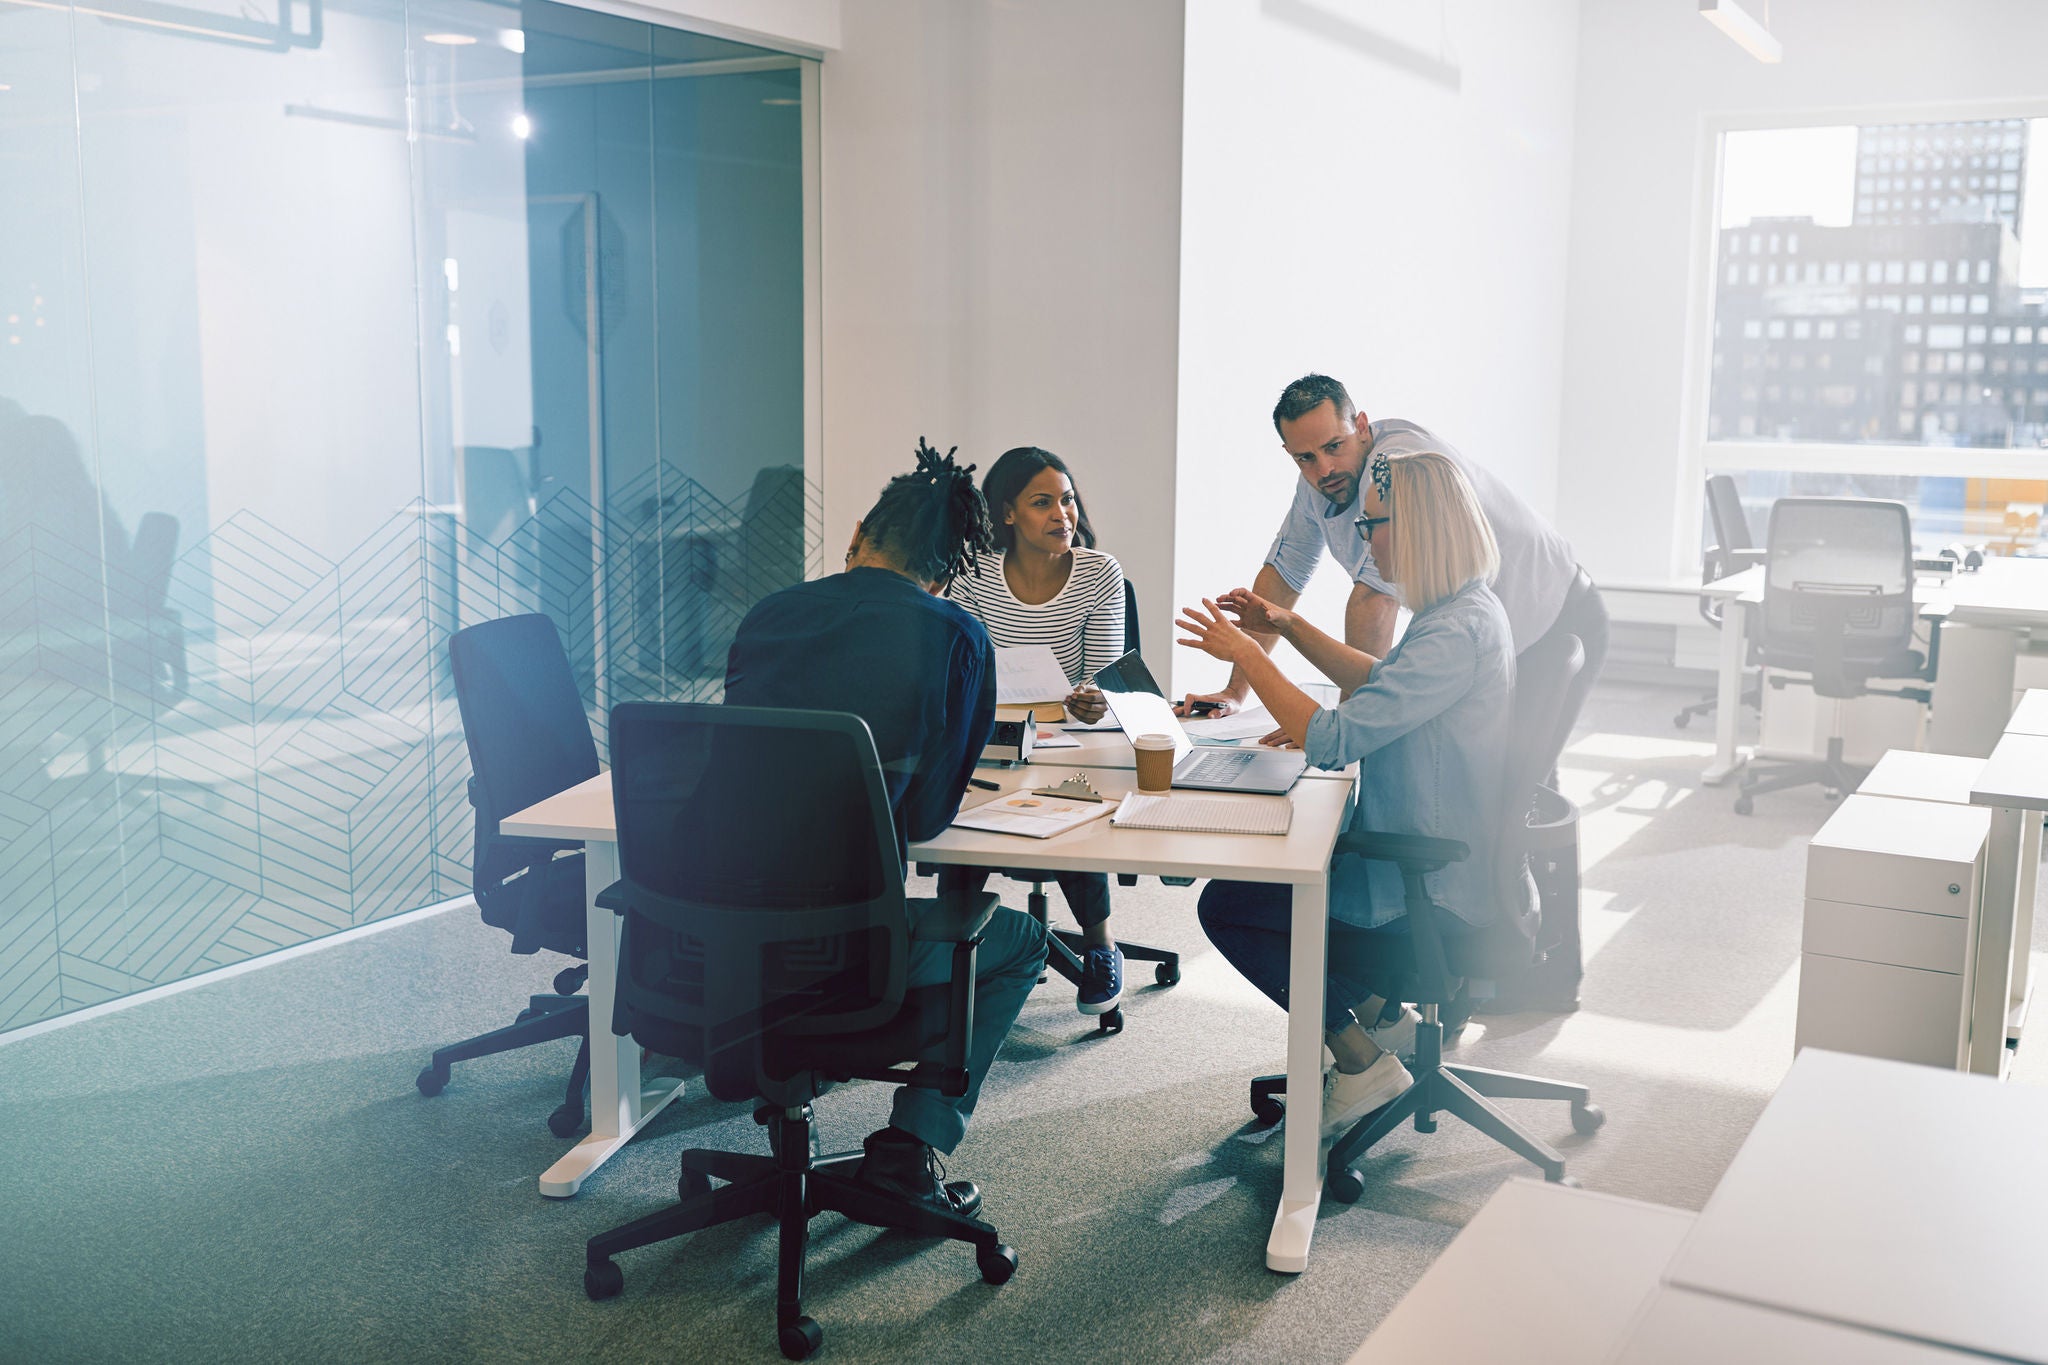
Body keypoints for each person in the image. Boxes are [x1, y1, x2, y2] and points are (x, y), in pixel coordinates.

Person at [724, 438, 1049, 1220]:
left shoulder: (769, 615)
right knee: (1021, 944)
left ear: (861, 530)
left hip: (727, 934)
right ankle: (910, 1147)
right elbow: (929, 817)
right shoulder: (955, 636)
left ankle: (785, 1095)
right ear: (946, 573)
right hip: (854, 946)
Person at [1175, 449, 1535, 1141]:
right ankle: (1380, 1015)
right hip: (1434, 862)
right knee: (1272, 879)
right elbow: (1380, 678)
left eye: (1373, 525)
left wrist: (1247, 655)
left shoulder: (1455, 631)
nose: (1364, 541)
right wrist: (1284, 624)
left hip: (1431, 884)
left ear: (1420, 527)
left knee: (1230, 905)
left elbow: (1333, 737)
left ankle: (1362, 1056)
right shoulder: (1461, 611)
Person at [1176, 374, 1606, 745]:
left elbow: (1374, 600)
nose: (1323, 469)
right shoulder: (1319, 478)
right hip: (1485, 639)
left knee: (1519, 786)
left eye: (1334, 446)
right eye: (1305, 457)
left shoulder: (1395, 468)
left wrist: (1342, 724)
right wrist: (1236, 691)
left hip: (1555, 612)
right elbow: (1283, 576)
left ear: (1362, 426)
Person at [941, 446, 1128, 1014]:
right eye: (1042, 502)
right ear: (1007, 514)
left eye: (1067, 500)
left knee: (1074, 803)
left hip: (1072, 737)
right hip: (991, 732)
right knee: (962, 813)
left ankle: (1100, 945)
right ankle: (952, 948)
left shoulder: (1099, 572)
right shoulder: (974, 574)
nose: (1062, 515)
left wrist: (1095, 700)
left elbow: (1106, 680)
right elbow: (957, 665)